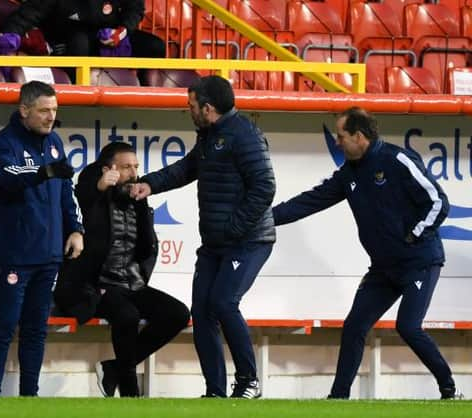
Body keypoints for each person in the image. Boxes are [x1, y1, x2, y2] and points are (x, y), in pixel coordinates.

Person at [272, 107, 461, 400]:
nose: (337, 142)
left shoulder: (397, 160)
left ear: (359, 137)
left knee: (408, 327)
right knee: (354, 327)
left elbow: (439, 202)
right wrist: (265, 218)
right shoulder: (349, 174)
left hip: (419, 261)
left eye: (341, 136)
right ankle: (338, 399)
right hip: (384, 269)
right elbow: (310, 201)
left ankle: (448, 388)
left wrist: (414, 234)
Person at [129, 75, 276, 398]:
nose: (189, 110)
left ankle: (249, 381)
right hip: (215, 245)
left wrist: (233, 229)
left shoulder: (244, 135)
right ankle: (215, 391)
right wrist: (149, 184)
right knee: (202, 310)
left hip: (248, 241)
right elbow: (185, 169)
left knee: (224, 302)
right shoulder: (210, 137)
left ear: (207, 108)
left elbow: (265, 187)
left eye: (191, 105)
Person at [54, 142, 190, 397]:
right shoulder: (94, 194)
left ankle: (115, 368)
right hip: (98, 285)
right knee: (126, 316)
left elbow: (144, 247)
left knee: (178, 314)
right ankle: (130, 392)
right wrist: (101, 182)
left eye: (136, 166)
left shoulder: (138, 199)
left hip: (133, 283)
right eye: (126, 167)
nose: (134, 173)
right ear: (108, 170)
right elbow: (85, 190)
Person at [0, 81, 84, 396]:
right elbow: (5, 177)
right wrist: (44, 172)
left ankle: (30, 395)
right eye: (44, 110)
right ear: (24, 110)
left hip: (49, 254)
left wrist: (76, 229)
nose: (50, 116)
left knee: (37, 330)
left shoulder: (54, 142)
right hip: (14, 253)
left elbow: (66, 191)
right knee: (4, 325)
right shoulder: (3, 143)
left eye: (54, 110)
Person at [0, 0, 165, 59]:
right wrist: (11, 33)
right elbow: (30, 13)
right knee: (80, 42)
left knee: (155, 46)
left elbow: (135, 9)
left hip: (108, 37)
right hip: (69, 37)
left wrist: (123, 31)